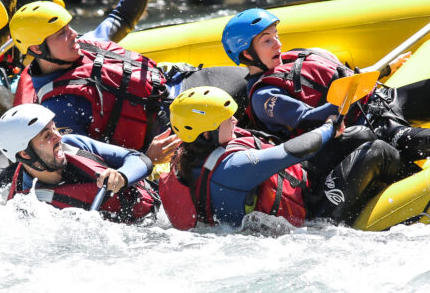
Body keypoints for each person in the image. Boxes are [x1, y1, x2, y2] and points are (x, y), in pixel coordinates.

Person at [222, 8, 430, 166]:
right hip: (369, 129)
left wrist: (383, 70)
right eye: (267, 40)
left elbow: (338, 75)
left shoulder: (293, 56)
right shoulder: (264, 96)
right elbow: (309, 119)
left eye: (275, 35)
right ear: (247, 53)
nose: (278, 43)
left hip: (386, 100)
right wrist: (344, 100)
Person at [7, 0, 187, 164]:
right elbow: (91, 167)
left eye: (69, 27)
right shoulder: (59, 108)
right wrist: (147, 160)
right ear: (36, 49)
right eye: (61, 33)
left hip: (178, 85)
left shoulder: (88, 44)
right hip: (173, 126)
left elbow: (123, 16)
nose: (73, 34)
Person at [160, 86, 402, 230]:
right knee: (377, 151)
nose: (234, 120)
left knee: (360, 134)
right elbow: (295, 151)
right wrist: (330, 126)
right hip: (312, 217)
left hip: (296, 185)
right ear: (206, 132)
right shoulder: (233, 168)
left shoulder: (187, 152)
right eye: (227, 119)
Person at [0, 104, 160, 223]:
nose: (58, 137)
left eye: (54, 128)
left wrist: (122, 176)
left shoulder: (72, 144)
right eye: (46, 136)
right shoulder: (31, 209)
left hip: (153, 209)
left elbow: (137, 158)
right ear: (24, 154)